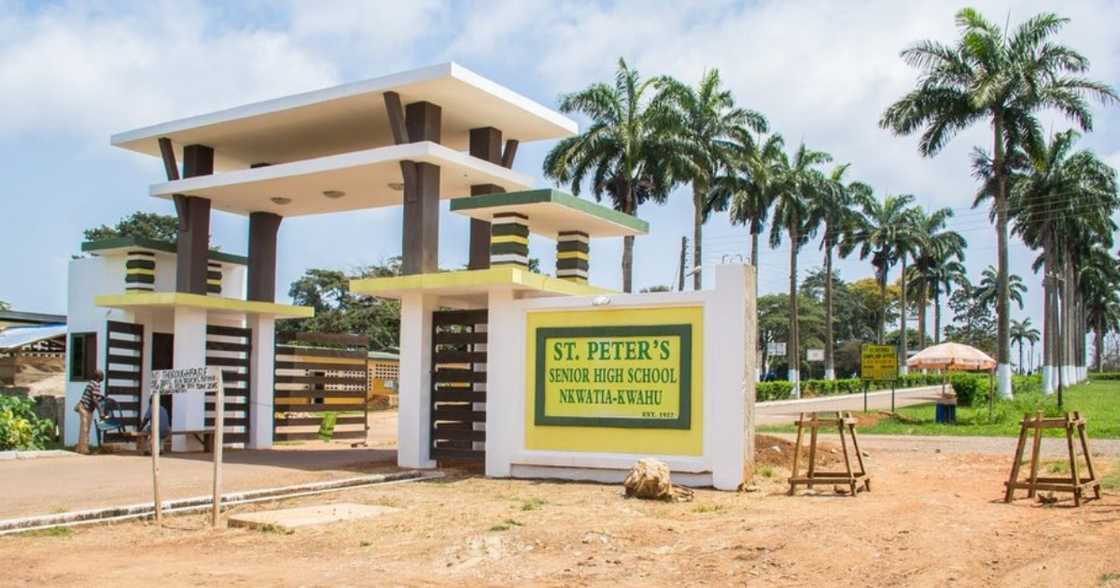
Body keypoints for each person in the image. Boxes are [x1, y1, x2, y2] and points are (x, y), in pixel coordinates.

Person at [74, 369, 104, 455]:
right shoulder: (95, 384)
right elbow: (94, 399)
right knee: (85, 429)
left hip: (88, 409)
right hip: (84, 408)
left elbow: (94, 397)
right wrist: (101, 412)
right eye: (102, 375)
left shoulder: (92, 383)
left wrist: (100, 397)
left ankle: (79, 448)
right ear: (99, 377)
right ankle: (84, 450)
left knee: (85, 429)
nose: (103, 376)